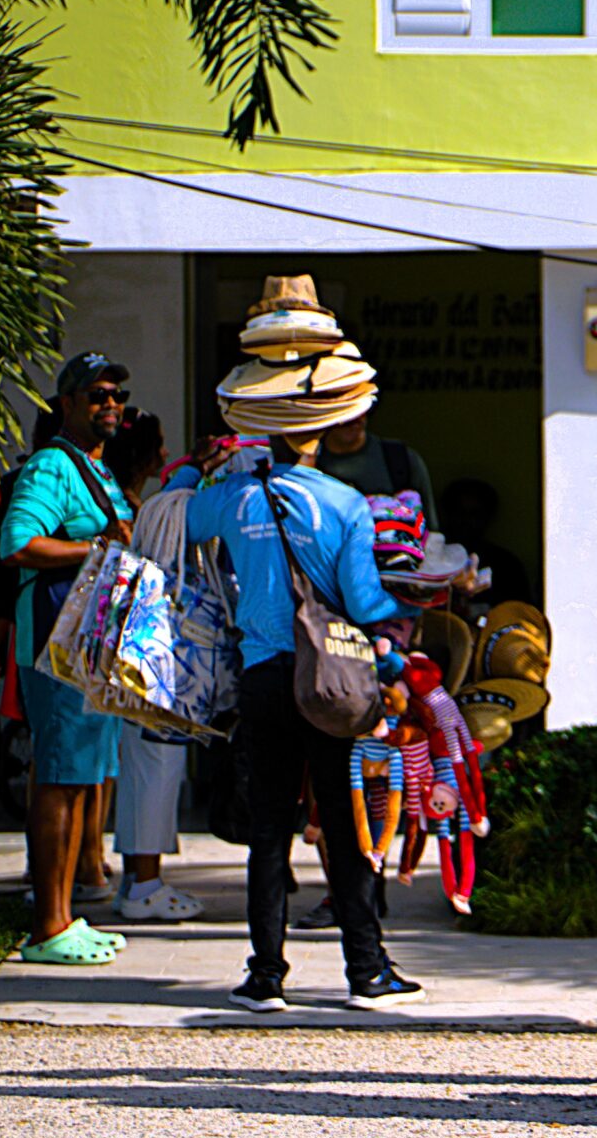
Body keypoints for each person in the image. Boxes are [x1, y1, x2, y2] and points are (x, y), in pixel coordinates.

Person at [171, 425, 416, 1010]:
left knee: (268, 828)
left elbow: (177, 514)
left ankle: (266, 977)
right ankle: (366, 971)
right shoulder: (342, 502)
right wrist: (412, 606)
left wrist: (193, 465)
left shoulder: (233, 496)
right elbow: (362, 602)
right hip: (327, 680)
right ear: (318, 435)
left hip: (261, 674)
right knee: (339, 817)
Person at [0, 353, 137, 965]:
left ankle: (67, 912)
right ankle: (47, 925)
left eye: (117, 396)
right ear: (69, 404)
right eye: (98, 395)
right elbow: (18, 544)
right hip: (56, 647)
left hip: (93, 649)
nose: (111, 404)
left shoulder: (96, 469)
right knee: (57, 780)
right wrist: (91, 548)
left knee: (82, 781)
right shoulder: (52, 465)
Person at [93, 410, 203, 924]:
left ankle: (139, 880)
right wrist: (195, 471)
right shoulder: (142, 510)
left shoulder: (130, 504)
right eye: (159, 445)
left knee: (145, 765)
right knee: (157, 765)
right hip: (148, 654)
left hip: (134, 652)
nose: (165, 454)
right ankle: (146, 883)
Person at [314, 413, 439, 530]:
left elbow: (431, 534)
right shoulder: (305, 465)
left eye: (360, 406)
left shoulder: (400, 459)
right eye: (343, 408)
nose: (353, 417)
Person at [436, 478, 530, 604]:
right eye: (459, 512)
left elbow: (519, 612)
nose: (465, 521)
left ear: (487, 517)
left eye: (474, 514)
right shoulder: (429, 560)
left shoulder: (506, 566)